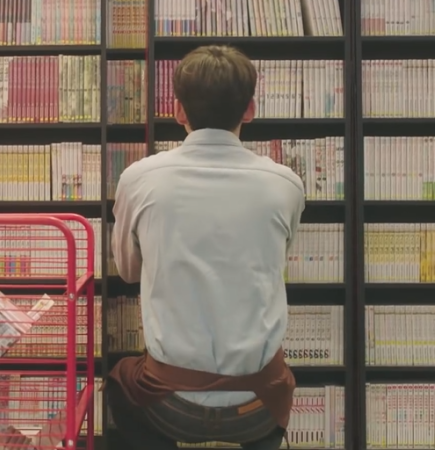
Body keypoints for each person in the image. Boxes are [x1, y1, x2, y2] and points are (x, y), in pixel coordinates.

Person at [107, 45, 306, 450]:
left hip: (170, 404)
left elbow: (128, 271)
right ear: (249, 109)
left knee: (120, 380)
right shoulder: (285, 184)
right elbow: (276, 261)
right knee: (275, 380)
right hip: (259, 406)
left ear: (178, 111)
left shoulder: (139, 179)